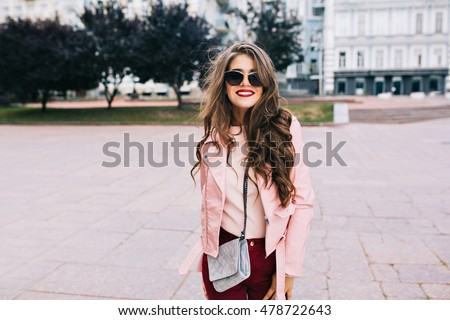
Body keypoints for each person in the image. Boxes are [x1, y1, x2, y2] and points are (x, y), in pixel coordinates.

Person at [179, 42, 315, 300]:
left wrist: (288, 270)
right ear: (224, 83)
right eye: (235, 75)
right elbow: (210, 205)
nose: (245, 83)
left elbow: (303, 201)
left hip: (269, 258)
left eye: (255, 76)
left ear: (266, 83)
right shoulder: (213, 134)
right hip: (222, 254)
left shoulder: (285, 128)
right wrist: (209, 256)